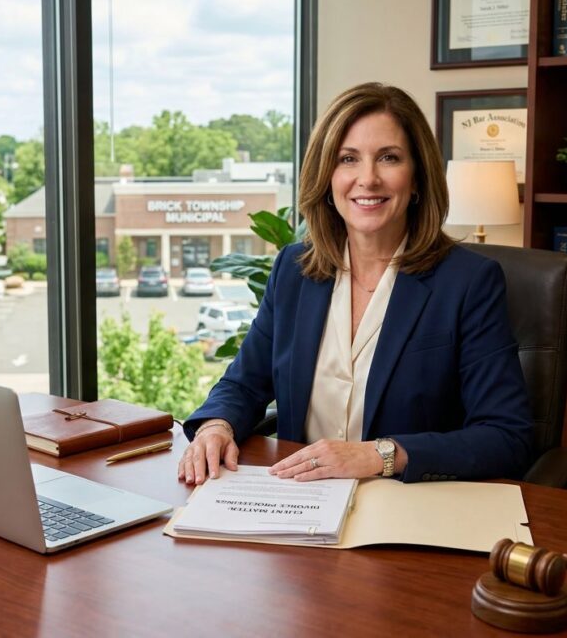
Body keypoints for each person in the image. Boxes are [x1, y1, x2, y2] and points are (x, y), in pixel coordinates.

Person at [178, 82, 532, 487]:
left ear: (417, 177)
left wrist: (379, 454)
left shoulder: (468, 282)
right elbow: (243, 383)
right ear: (327, 177)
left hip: (405, 501)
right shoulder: (293, 271)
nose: (368, 179)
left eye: (389, 158)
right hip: (301, 500)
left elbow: (507, 436)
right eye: (348, 159)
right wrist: (216, 427)